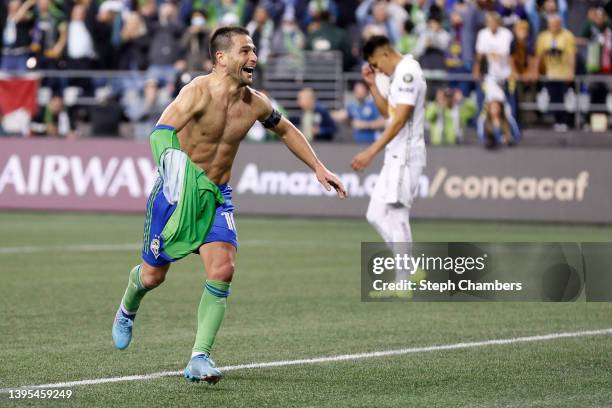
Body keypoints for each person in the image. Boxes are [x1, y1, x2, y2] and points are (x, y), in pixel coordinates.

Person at [111, 26, 347, 385]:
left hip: (218, 195)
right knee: (152, 276)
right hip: (178, 194)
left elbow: (286, 130)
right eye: (245, 51)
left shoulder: (256, 102)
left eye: (253, 50)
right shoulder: (196, 92)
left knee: (223, 269)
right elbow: (160, 131)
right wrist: (170, 167)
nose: (253, 57)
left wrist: (318, 166)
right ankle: (128, 307)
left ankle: (199, 357)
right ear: (221, 58)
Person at [351, 35, 426, 284]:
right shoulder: (394, 76)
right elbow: (389, 113)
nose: (378, 69)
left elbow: (400, 120)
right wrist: (373, 85)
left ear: (384, 54)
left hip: (406, 153)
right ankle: (411, 268)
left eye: (376, 64)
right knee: (375, 214)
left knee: (397, 215)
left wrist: (370, 151)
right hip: (395, 154)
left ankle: (403, 281)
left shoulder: (408, 73)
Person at [535, 13, 576, 131]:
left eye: (556, 24)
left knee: (565, 98)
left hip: (564, 73)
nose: (554, 27)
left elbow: (571, 55)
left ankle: (566, 121)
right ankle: (558, 121)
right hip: (550, 74)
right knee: (554, 98)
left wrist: (571, 72)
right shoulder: (543, 37)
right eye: (552, 25)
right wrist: (536, 71)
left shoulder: (567, 35)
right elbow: (538, 56)